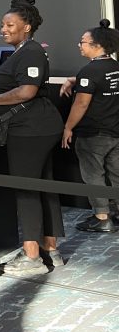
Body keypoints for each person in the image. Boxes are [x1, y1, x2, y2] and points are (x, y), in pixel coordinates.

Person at [0, 0, 65, 276]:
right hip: (37, 127)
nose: (3, 29)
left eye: (9, 25)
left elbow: (26, 91)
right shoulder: (24, 51)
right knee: (43, 186)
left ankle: (32, 258)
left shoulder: (31, 52)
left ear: (26, 27)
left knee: (27, 189)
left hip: (30, 129)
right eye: (2, 25)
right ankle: (50, 249)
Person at [59, 19, 119, 233]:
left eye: (83, 42)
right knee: (116, 173)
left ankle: (102, 217)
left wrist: (68, 128)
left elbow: (81, 103)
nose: (79, 45)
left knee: (93, 174)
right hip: (115, 131)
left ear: (97, 45)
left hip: (93, 133)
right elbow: (100, 82)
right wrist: (74, 79)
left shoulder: (89, 71)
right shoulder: (115, 67)